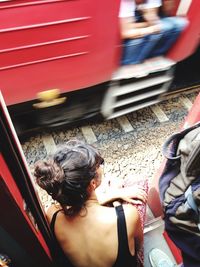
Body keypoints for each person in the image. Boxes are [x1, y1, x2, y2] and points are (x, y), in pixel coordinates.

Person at [34, 140, 148, 267]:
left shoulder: (53, 214)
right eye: (99, 164)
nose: (101, 166)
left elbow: (82, 206)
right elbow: (138, 247)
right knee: (138, 182)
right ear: (93, 183)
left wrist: (113, 194)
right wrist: (115, 199)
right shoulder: (127, 216)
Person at [119, 0, 163, 65]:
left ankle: (140, 61)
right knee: (137, 40)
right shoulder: (126, 3)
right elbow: (124, 33)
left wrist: (146, 13)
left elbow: (154, 22)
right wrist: (150, 29)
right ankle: (129, 64)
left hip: (128, 27)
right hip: (115, 37)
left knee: (156, 34)